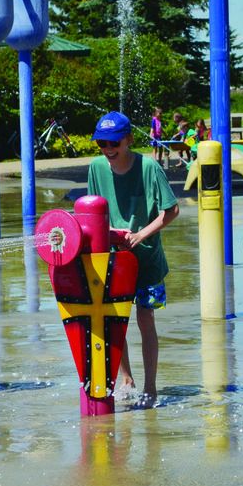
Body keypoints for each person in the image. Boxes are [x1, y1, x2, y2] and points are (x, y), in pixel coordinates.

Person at [86, 111, 180, 410]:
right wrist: (110, 234)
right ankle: (126, 379)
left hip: (147, 259)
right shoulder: (97, 168)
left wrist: (141, 235)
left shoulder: (149, 167)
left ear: (128, 140)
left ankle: (150, 386)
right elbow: (92, 212)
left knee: (145, 318)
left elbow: (172, 210)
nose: (108, 149)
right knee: (116, 322)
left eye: (114, 142)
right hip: (112, 258)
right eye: (102, 143)